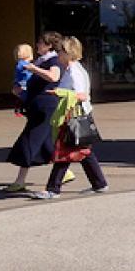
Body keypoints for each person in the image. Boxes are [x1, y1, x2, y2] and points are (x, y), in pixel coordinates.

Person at [30, 37, 109, 199]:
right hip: (74, 115)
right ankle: (99, 183)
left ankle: (53, 189)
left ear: (68, 53)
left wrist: (59, 92)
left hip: (73, 116)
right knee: (83, 151)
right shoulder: (72, 69)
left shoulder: (74, 71)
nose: (58, 54)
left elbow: (82, 95)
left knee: (63, 153)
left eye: (60, 51)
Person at [3, 32, 65, 192]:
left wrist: (34, 69)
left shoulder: (53, 60)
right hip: (37, 106)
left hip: (45, 107)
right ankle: (65, 171)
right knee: (45, 144)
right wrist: (20, 91)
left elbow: (53, 77)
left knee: (29, 140)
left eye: (40, 42)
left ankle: (20, 180)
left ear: (49, 45)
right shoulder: (41, 61)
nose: (37, 45)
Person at [13, 43, 33, 114]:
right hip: (24, 85)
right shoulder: (24, 64)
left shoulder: (20, 64)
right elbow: (27, 75)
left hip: (21, 85)